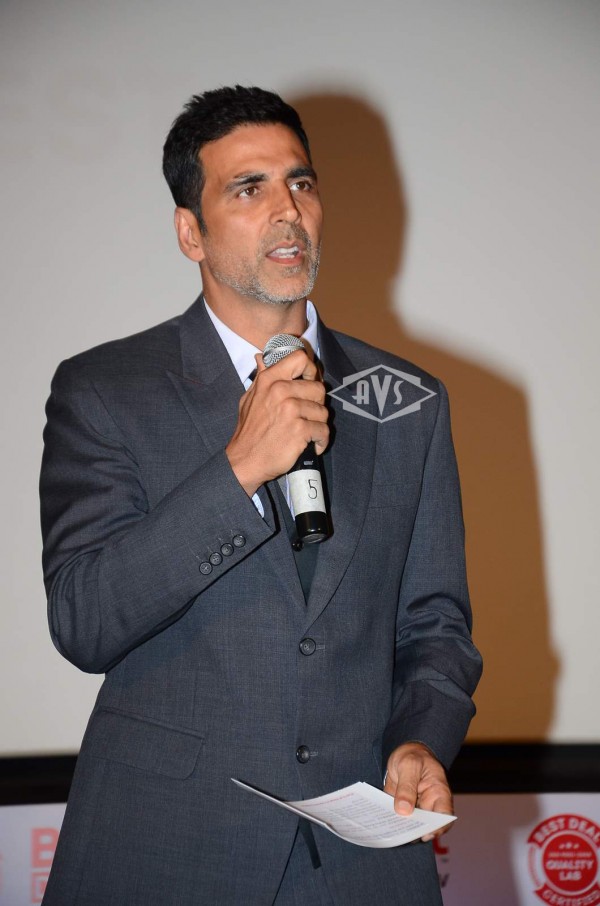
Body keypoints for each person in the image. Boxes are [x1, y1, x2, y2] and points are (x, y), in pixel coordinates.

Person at [40, 85, 482, 905]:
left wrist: (421, 739)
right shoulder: (105, 390)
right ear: (190, 232)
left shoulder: (408, 400)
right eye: (249, 189)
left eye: (300, 183)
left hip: (359, 860)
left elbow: (435, 625)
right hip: (165, 847)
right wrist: (238, 469)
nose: (287, 210)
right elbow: (85, 620)